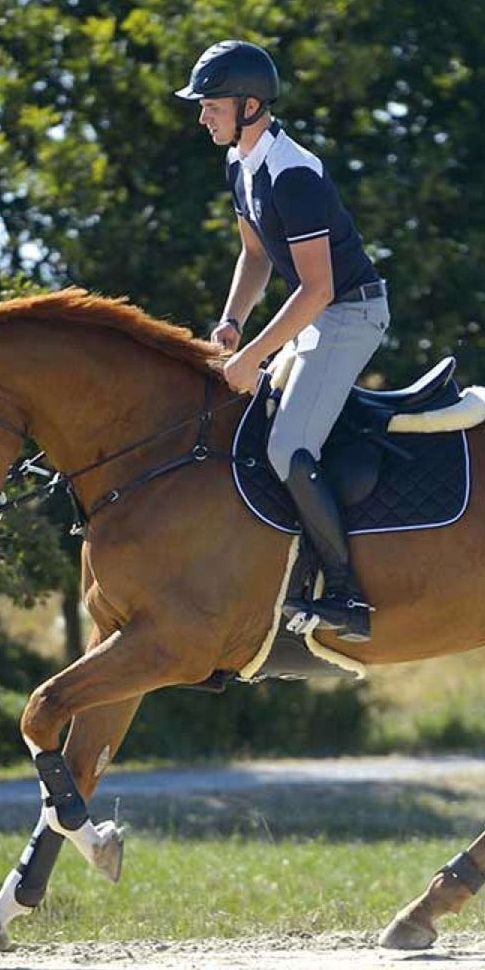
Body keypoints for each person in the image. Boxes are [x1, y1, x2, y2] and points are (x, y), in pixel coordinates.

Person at [175, 39, 389, 643]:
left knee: (288, 445)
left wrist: (254, 357)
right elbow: (254, 254)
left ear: (248, 105)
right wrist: (233, 320)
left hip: (351, 314)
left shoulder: (291, 174)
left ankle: (347, 596)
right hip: (317, 313)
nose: (202, 117)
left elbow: (318, 289)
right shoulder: (239, 164)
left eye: (210, 105)